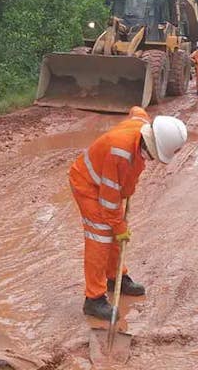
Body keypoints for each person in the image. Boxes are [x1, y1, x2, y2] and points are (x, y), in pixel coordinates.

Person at [69, 107, 188, 320]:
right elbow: (108, 201)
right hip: (88, 185)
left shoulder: (143, 125)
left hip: (106, 183)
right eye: (153, 155)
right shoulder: (121, 153)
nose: (151, 160)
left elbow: (137, 110)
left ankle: (115, 278)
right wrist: (120, 227)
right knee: (101, 237)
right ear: (149, 144)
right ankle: (93, 299)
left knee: (114, 233)